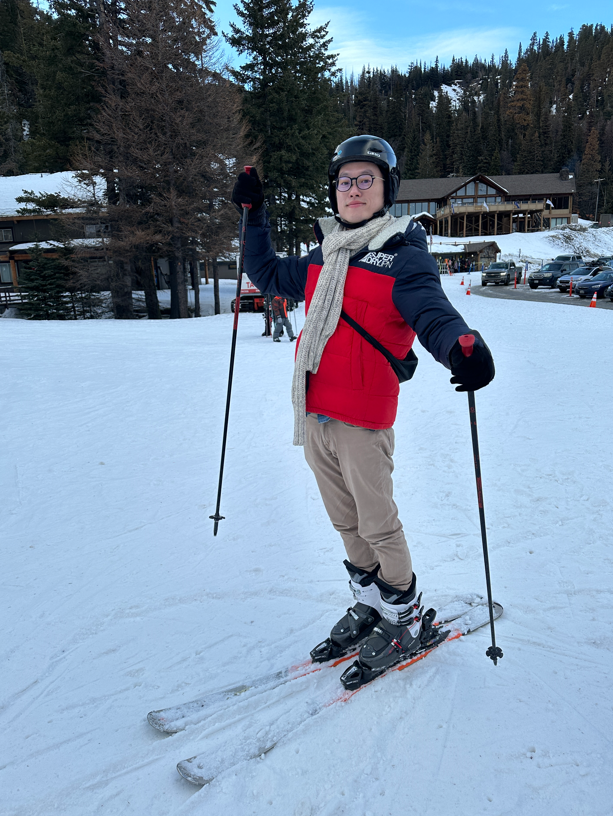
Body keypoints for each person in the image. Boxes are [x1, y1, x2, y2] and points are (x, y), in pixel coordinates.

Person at [231, 135, 495, 680]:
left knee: (377, 524)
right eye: (345, 181)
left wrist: (460, 348)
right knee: (345, 522)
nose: (353, 189)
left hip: (363, 421)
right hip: (315, 413)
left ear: (386, 190)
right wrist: (253, 216)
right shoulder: (323, 254)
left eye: (365, 180)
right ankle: (372, 603)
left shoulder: (404, 255)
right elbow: (266, 274)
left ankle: (403, 615)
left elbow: (433, 313)